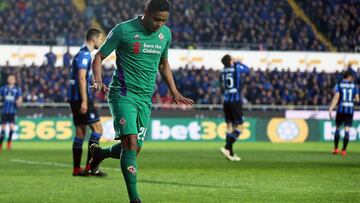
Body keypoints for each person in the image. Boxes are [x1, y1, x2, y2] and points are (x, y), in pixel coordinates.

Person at [91, 0, 194, 202]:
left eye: (164, 21)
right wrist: (98, 80)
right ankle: (135, 199)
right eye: (156, 19)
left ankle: (100, 154)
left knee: (135, 148)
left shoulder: (166, 35)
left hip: (145, 98)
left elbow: (163, 64)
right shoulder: (123, 30)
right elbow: (99, 56)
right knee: (129, 143)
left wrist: (174, 91)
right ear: (146, 12)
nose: (159, 24)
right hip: (123, 95)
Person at [67, 28, 106, 176]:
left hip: (74, 97)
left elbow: (81, 79)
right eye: (100, 39)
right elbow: (81, 77)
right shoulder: (84, 54)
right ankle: (90, 168)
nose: (101, 42)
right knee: (98, 129)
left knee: (81, 131)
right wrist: (85, 100)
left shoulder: (81, 53)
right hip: (80, 98)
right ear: (94, 39)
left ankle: (77, 169)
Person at [219, 54, 250, 161]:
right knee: (240, 127)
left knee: (229, 126)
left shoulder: (223, 71)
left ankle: (230, 154)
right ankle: (226, 147)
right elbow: (247, 70)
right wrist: (238, 62)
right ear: (231, 61)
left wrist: (232, 61)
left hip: (226, 101)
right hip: (235, 101)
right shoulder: (236, 67)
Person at [329, 70, 359, 156]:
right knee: (347, 130)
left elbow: (336, 97)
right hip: (350, 111)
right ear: (349, 77)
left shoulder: (339, 85)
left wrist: (331, 107)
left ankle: (335, 149)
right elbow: (357, 100)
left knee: (337, 128)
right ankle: (344, 150)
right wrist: (352, 100)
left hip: (341, 110)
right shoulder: (354, 86)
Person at [0, 75, 22, 151]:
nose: (11, 80)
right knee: (3, 127)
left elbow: (20, 99)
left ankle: (9, 144)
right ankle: (0, 144)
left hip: (12, 111)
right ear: (7, 80)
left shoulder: (17, 89)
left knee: (11, 127)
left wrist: (18, 102)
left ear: (15, 80)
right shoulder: (3, 88)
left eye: (13, 79)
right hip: (4, 111)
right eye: (10, 79)